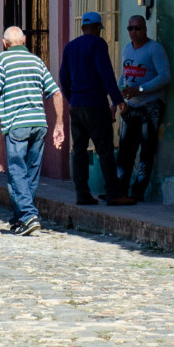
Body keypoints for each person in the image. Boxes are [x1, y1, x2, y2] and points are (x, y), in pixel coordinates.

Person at [0, 25, 65, 236]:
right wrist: (59, 124)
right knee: (29, 173)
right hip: (39, 124)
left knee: (16, 171)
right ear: (23, 41)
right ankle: (20, 219)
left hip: (16, 125)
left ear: (4, 44)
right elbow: (56, 93)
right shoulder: (37, 61)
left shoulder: (2, 60)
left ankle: (29, 215)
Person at [59, 12, 127, 206]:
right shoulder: (98, 44)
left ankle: (82, 194)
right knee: (104, 149)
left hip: (76, 106)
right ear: (98, 28)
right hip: (96, 104)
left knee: (79, 150)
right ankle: (114, 193)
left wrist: (72, 99)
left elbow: (63, 78)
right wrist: (117, 99)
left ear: (82, 28)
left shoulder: (70, 47)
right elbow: (106, 73)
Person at [117, 15, 171, 201]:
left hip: (150, 106)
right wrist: (117, 99)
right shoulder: (126, 49)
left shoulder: (154, 49)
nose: (134, 32)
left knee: (146, 150)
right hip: (131, 106)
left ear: (145, 29)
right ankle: (120, 190)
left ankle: (137, 191)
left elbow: (165, 76)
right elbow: (123, 77)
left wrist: (140, 89)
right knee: (125, 149)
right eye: (130, 29)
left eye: (138, 28)